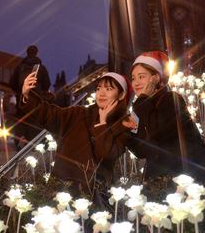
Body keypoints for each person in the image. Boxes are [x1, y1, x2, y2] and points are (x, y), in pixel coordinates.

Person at [18, 71, 131, 199]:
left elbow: (106, 154)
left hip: (94, 195)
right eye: (99, 88)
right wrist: (28, 95)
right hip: (61, 190)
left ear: (121, 95)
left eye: (109, 89)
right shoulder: (78, 114)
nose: (102, 93)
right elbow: (49, 114)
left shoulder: (123, 125)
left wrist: (103, 124)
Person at [125, 51, 205, 181]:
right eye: (133, 78)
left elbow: (159, 132)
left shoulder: (171, 99)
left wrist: (142, 101)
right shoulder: (140, 106)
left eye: (141, 76)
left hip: (183, 175)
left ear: (155, 78)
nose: (136, 82)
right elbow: (141, 151)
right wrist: (127, 136)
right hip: (158, 178)